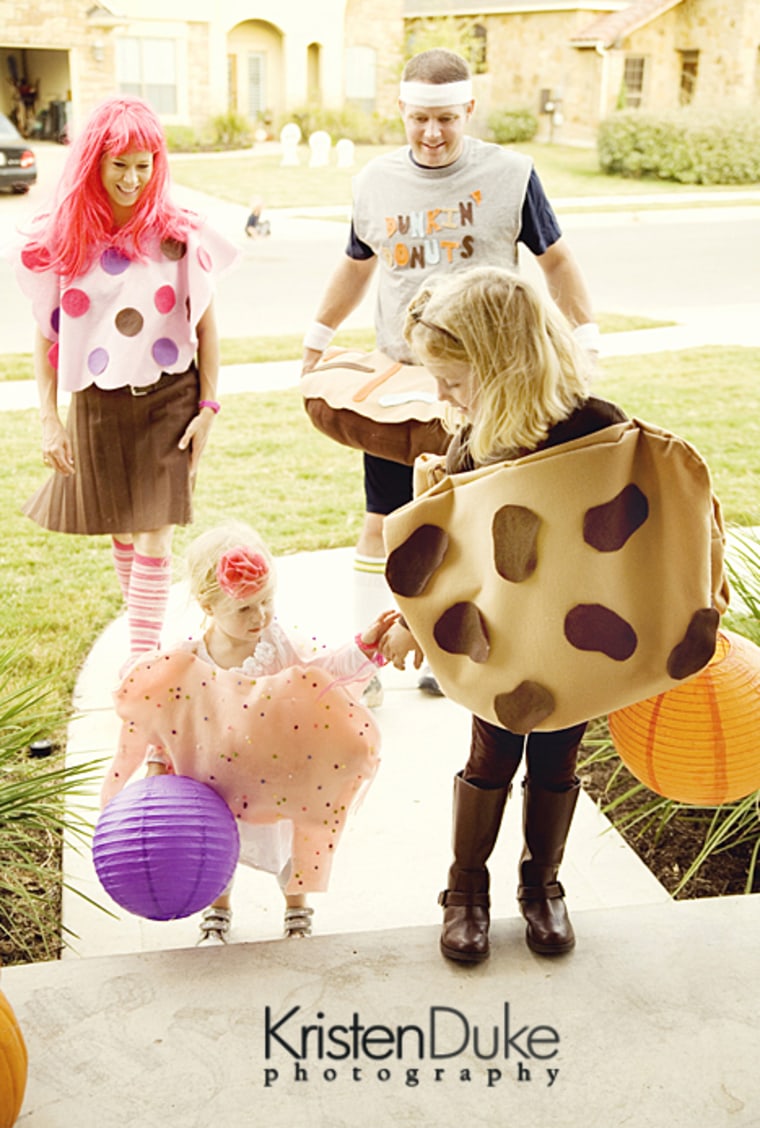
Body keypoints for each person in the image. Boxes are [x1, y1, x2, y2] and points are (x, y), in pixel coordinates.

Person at [301, 48, 600, 700]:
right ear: (400, 112)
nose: (432, 135)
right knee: (383, 518)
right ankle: (366, 659)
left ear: (469, 109)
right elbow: (355, 267)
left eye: (446, 119)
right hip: (403, 381)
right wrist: (316, 341)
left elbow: (555, 260)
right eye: (418, 120)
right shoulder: (374, 182)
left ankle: (446, 648)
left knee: (476, 519)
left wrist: (587, 339)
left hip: (490, 387)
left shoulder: (513, 175)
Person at [378, 266, 631, 964]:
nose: (443, 398)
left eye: (453, 382)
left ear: (503, 364)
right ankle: (465, 889)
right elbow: (442, 545)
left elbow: (646, 518)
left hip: (575, 638)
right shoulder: (477, 444)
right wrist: (409, 620)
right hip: (500, 640)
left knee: (558, 758)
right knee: (491, 756)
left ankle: (542, 884)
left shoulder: (598, 428)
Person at [13, 95, 238, 664]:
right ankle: (147, 647)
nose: (134, 178)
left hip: (169, 399)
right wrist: (49, 420)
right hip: (96, 402)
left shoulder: (178, 235)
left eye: (145, 164)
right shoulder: (61, 240)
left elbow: (207, 326)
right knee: (121, 527)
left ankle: (143, 669)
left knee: (154, 534)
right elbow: (46, 336)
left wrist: (208, 407)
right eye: (120, 164)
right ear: (94, 161)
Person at [102, 520, 396, 943]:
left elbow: (327, 669)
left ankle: (297, 912)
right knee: (216, 852)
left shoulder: (279, 644)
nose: (260, 616)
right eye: (244, 609)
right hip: (212, 786)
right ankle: (217, 914)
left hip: (277, 778)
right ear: (208, 606)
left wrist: (365, 645)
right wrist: (156, 764)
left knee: (287, 854)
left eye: (267, 602)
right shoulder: (187, 658)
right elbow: (167, 720)